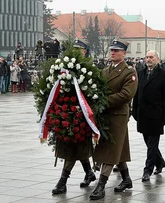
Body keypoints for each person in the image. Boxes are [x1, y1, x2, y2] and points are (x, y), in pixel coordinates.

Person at [90, 39, 138, 200]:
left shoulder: (129, 72)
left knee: (111, 150)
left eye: (117, 51)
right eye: (112, 50)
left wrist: (103, 101)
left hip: (118, 116)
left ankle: (101, 185)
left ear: (124, 53)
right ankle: (126, 179)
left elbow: (126, 95)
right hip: (104, 115)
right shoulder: (105, 71)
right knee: (119, 149)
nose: (113, 53)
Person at [51, 38, 97, 195]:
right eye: (74, 49)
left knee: (74, 147)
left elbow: (93, 92)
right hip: (66, 111)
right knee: (75, 147)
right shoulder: (65, 67)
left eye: (79, 50)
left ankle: (62, 181)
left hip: (82, 114)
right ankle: (89, 172)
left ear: (84, 51)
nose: (76, 52)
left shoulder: (88, 68)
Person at [132, 50, 165, 182]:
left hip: (156, 115)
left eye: (151, 57)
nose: (148, 59)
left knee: (152, 143)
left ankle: (147, 170)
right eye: (147, 57)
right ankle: (160, 162)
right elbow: (137, 94)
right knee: (148, 142)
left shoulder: (164, 75)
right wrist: (134, 110)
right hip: (142, 114)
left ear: (157, 59)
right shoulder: (141, 73)